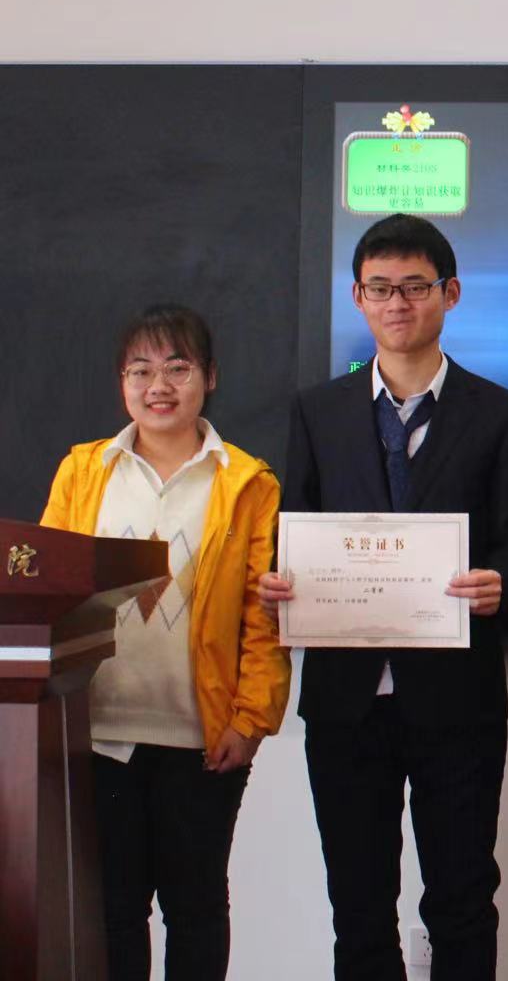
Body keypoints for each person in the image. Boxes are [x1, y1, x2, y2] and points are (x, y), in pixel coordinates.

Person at [259, 214, 508, 981]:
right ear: (358, 297)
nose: (397, 304)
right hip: (346, 700)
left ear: (450, 294)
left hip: (459, 699)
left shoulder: (501, 413)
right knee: (358, 904)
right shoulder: (318, 411)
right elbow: (297, 529)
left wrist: (503, 579)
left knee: (462, 900)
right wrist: (281, 583)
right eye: (380, 289)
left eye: (415, 287)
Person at [40, 304, 290, 981]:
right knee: (113, 911)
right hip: (96, 732)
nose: (159, 385)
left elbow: (262, 615)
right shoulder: (85, 471)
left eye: (178, 368)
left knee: (196, 907)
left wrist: (251, 718)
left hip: (201, 736)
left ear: (209, 376)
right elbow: (44, 587)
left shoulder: (246, 482)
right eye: (140, 370)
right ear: (121, 382)